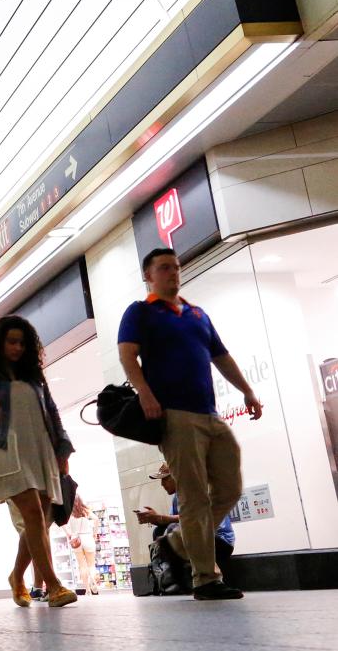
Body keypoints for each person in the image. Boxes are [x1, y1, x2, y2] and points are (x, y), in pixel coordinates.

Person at [118, 247, 262, 601]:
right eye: (164, 268)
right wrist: (145, 393)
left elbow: (221, 356)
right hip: (175, 415)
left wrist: (247, 390)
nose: (173, 272)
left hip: (210, 414)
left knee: (229, 487)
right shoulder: (141, 312)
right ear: (148, 276)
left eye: (176, 266)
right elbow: (126, 353)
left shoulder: (198, 314)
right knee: (194, 496)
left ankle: (180, 541)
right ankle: (205, 579)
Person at [0, 315, 76, 608]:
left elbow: (53, 413)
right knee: (32, 515)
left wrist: (63, 449)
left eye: (22, 343)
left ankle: (17, 576)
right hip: (6, 450)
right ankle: (53, 586)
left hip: (40, 449)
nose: (17, 348)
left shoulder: (33, 376)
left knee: (38, 520)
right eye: (11, 342)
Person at [136, 461, 235, 576]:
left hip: (220, 542)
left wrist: (161, 518)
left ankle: (177, 577)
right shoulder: (176, 497)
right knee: (159, 531)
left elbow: (194, 518)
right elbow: (173, 521)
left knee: (174, 529)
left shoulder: (198, 490)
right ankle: (165, 575)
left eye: (165, 479)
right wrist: (156, 520)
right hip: (199, 540)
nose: (162, 484)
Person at [67, 499, 99, 594]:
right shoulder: (85, 511)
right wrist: (95, 533)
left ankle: (87, 590)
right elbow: (96, 519)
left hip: (76, 539)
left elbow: (63, 524)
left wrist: (69, 533)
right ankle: (93, 580)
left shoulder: (69, 512)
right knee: (91, 565)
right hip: (87, 537)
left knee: (82, 566)